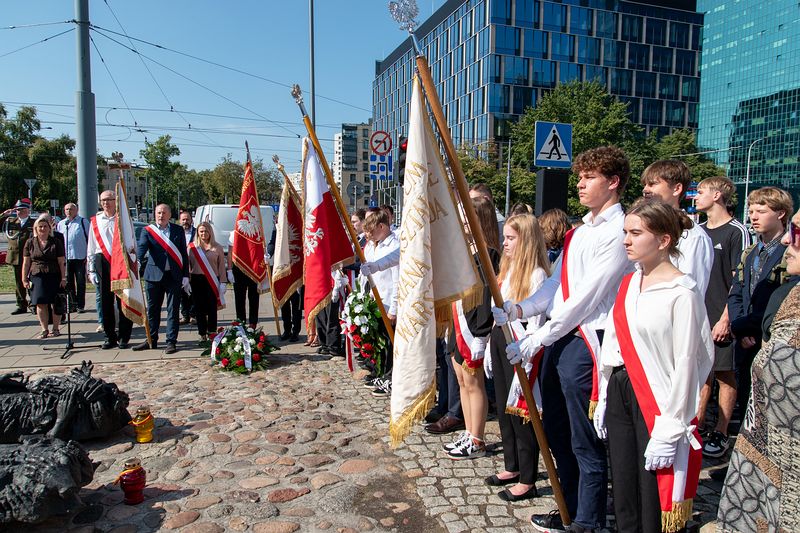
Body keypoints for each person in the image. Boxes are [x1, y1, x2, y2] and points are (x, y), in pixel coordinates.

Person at [495, 146, 632, 532]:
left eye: (591, 177)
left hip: (586, 342)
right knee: (556, 430)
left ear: (614, 182)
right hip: (561, 339)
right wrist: (520, 309)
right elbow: (556, 284)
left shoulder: (616, 231)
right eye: (580, 176)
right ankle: (569, 507)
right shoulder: (578, 231)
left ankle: (588, 520)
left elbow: (586, 298)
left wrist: (537, 337)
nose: (581, 183)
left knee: (583, 438)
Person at [595, 199, 713, 533]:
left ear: (663, 240)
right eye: (625, 232)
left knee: (651, 492)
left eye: (635, 233)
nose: (626, 241)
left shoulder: (682, 293)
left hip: (657, 402)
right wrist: (605, 394)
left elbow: (688, 363)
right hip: (621, 388)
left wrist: (672, 424)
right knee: (623, 484)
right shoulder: (630, 283)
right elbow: (614, 343)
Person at [716, 207, 800, 532]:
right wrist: (741, 325)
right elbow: (738, 289)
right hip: (768, 465)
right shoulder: (787, 296)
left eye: (798, 237)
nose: (789, 245)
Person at [482, 213, 549, 501]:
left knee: (522, 412)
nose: (505, 243)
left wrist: (529, 356)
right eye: (505, 237)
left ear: (527, 240)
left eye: (511, 238)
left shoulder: (537, 274)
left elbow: (537, 320)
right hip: (501, 338)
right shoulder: (506, 269)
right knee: (503, 407)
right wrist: (488, 346)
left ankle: (527, 477)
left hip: (521, 344)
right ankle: (511, 464)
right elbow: (499, 314)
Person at [726, 186, 792, 456]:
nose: (753, 216)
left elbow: (778, 298)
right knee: (746, 401)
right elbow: (738, 291)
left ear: (780, 214)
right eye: (751, 210)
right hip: (746, 335)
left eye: (761, 211)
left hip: (767, 336)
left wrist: (750, 327)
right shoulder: (751, 251)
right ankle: (742, 456)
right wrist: (739, 327)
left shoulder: (788, 253)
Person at [692, 177, 751, 458]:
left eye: (700, 191)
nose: (696, 196)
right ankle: (697, 425)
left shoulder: (736, 231)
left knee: (725, 375)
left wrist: (727, 318)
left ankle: (722, 430)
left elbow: (740, 278)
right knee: (701, 374)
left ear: (717, 195)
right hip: (699, 314)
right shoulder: (698, 230)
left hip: (721, 314)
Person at [444, 196, 501, 460]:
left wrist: (481, 334)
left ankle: (477, 438)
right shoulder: (468, 251)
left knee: (473, 383)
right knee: (461, 381)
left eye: (466, 217)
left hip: (475, 328)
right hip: (459, 323)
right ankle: (469, 431)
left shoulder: (489, 254)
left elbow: (487, 296)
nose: (462, 222)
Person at [641, 159, 714, 296]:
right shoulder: (644, 230)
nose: (645, 190)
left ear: (676, 189)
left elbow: (691, 291)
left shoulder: (694, 237)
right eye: (644, 184)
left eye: (652, 184)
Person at [134, 203, 190, 354]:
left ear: (169, 215)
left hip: (174, 276)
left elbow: (183, 254)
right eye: (158, 213)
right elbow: (142, 248)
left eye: (164, 213)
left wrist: (186, 275)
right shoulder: (148, 231)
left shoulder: (178, 230)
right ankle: (151, 339)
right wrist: (137, 261)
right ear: (155, 214)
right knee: (153, 310)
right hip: (153, 276)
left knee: (173, 310)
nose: (161, 215)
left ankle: (171, 341)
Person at [88, 190, 133, 349]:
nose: (106, 203)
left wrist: (134, 262)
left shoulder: (123, 220)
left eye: (109, 199)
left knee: (123, 300)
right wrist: (91, 269)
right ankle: (109, 336)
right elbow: (91, 246)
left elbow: (130, 241)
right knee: (105, 302)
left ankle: (124, 336)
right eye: (103, 200)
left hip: (120, 261)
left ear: (115, 201)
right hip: (102, 261)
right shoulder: (95, 221)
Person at [362, 207, 399, 397]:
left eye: (372, 230)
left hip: (388, 303)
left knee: (390, 345)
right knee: (380, 343)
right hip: (376, 302)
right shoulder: (375, 245)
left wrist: (394, 309)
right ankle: (380, 373)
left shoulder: (393, 246)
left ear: (382, 227)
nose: (369, 235)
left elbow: (396, 281)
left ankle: (389, 377)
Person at [22, 214, 67, 338]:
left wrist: (63, 278)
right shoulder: (30, 242)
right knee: (40, 303)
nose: (42, 229)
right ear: (36, 229)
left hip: (54, 274)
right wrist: (24, 278)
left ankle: (56, 329)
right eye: (40, 227)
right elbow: (26, 262)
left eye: (45, 226)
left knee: (56, 302)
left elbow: (61, 262)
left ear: (49, 228)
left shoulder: (56, 242)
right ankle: (44, 329)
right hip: (37, 275)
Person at [188, 221, 226, 344]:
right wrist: (186, 281)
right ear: (198, 233)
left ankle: (212, 332)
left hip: (212, 280)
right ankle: (202, 333)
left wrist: (223, 282)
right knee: (199, 309)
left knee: (211, 308)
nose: (204, 233)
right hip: (196, 280)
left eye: (206, 231)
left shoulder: (217, 247)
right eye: (201, 231)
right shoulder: (192, 247)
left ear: (210, 232)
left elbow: (221, 267)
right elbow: (187, 265)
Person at [0, 199, 34, 315]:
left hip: (30, 256)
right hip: (15, 256)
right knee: (19, 282)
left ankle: (34, 303)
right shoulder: (10, 221)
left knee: (31, 281)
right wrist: (4, 215)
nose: (19, 212)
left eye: (22, 210)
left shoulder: (33, 223)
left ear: (27, 210)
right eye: (18, 210)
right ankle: (21, 304)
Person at [56, 203, 91, 313]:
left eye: (71, 209)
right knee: (69, 282)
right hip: (67, 258)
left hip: (80, 257)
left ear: (76, 210)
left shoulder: (82, 222)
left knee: (80, 282)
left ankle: (80, 305)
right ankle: (72, 304)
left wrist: (88, 255)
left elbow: (89, 238)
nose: (69, 211)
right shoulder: (62, 224)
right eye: (66, 209)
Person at [227, 231, 260, 329]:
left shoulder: (256, 231)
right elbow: (230, 253)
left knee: (254, 297)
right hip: (238, 269)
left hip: (253, 269)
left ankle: (253, 324)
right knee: (239, 298)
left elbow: (259, 250)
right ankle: (241, 323)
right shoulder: (234, 233)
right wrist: (229, 270)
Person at [178, 210, 196, 325]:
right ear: (180, 221)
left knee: (194, 292)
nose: (185, 221)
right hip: (180, 266)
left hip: (194, 266)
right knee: (182, 293)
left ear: (191, 220)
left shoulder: (196, 232)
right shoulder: (176, 232)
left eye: (187, 219)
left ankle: (193, 315)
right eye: (183, 219)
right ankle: (185, 315)